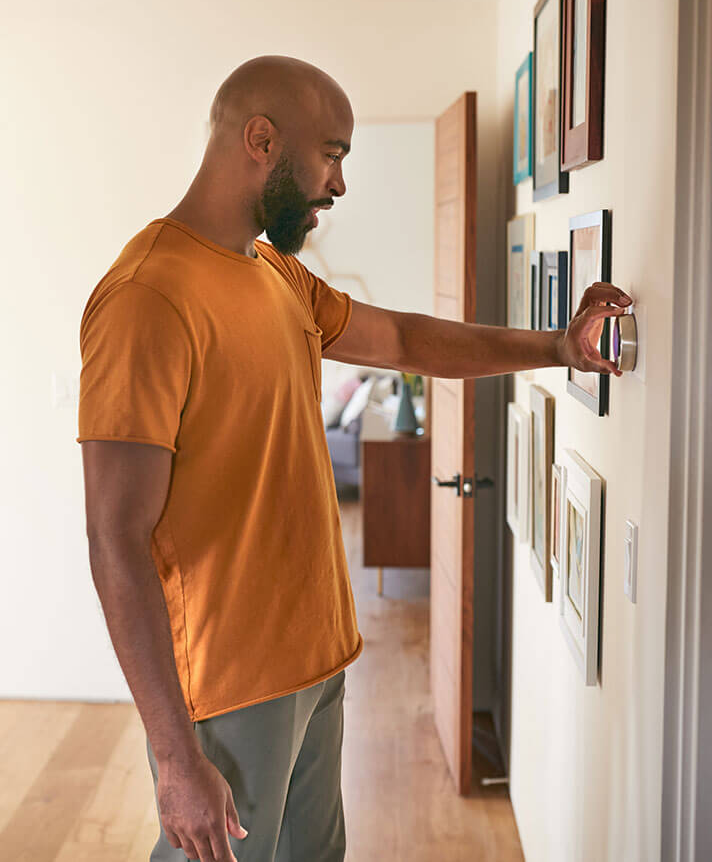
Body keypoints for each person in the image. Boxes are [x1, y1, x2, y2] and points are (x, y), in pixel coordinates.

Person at [77, 55, 631, 862]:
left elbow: (405, 338)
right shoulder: (146, 297)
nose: (338, 185)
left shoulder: (277, 276)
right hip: (231, 686)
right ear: (261, 139)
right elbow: (113, 539)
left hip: (319, 663)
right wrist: (172, 755)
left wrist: (559, 347)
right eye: (331, 154)